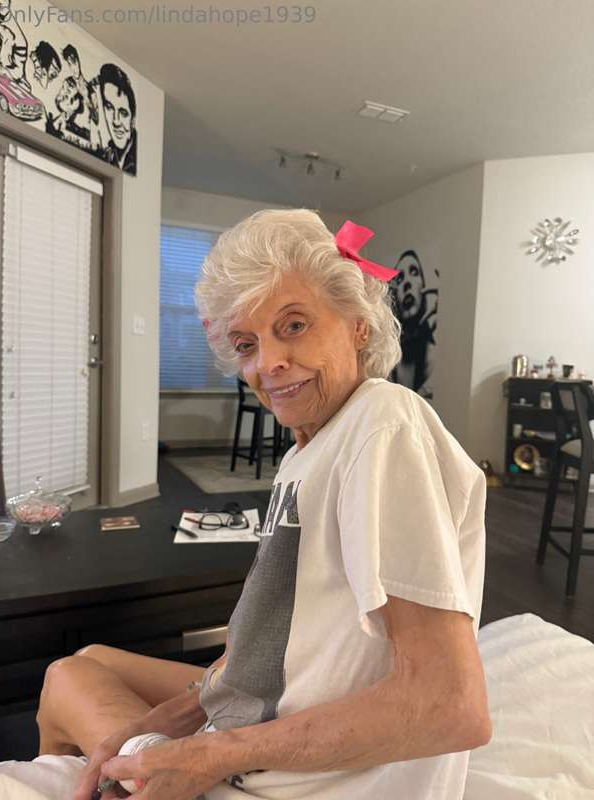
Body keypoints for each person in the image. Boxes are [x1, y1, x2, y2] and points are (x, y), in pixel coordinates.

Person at [35, 210, 490, 800]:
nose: (266, 363)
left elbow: (450, 706)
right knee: (92, 658)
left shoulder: (384, 421)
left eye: (294, 325)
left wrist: (207, 753)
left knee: (65, 677)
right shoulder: (310, 449)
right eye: (246, 344)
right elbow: (277, 641)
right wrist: (182, 712)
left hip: (300, 785)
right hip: (273, 708)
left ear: (358, 325)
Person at [388, 249, 438, 399]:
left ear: (423, 287)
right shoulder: (384, 371)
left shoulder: (435, 366)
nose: (407, 283)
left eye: (414, 272)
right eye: (399, 278)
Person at [98, 62, 137, 174]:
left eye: (123, 113)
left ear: (133, 119)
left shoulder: (141, 156)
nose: (116, 121)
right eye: (109, 107)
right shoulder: (107, 155)